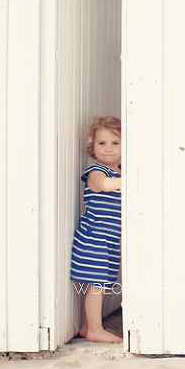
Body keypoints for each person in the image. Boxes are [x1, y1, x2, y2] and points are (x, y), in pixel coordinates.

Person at [70, 115, 123, 343]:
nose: (108, 148)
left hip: (111, 238)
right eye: (102, 143)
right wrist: (130, 180)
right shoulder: (96, 171)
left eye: (115, 143)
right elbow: (103, 185)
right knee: (98, 285)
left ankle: (86, 326)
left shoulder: (120, 172)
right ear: (92, 147)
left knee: (106, 285)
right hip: (96, 236)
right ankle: (94, 329)